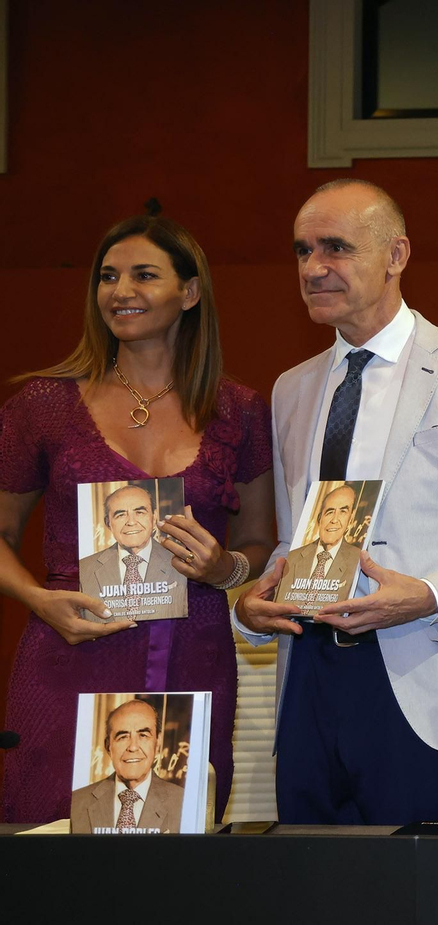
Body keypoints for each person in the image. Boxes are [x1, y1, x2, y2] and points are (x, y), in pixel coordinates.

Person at [233, 179, 438, 825]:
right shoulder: (291, 390)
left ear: (396, 254)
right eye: (301, 250)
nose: (313, 267)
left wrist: (426, 595)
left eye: (336, 248)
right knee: (311, 892)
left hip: (422, 671)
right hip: (308, 682)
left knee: (418, 898)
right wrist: (251, 607)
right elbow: (296, 538)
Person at [0, 215, 274, 825]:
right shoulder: (44, 405)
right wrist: (39, 599)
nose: (120, 291)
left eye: (143, 275)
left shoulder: (240, 410)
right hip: (72, 654)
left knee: (172, 867)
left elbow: (258, 541)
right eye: (107, 277)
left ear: (190, 292)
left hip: (193, 658)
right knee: (49, 862)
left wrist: (224, 567)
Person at [69, 699, 185, 833]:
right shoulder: (77, 802)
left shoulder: (183, 803)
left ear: (157, 743)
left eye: (143, 735)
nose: (133, 747)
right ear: (108, 746)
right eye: (123, 737)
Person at [77, 483, 185, 622]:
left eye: (139, 512)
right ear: (108, 523)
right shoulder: (84, 569)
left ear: (153, 517)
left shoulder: (180, 563)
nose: (131, 522)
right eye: (121, 515)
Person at [279, 483, 362, 600]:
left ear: (351, 518)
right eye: (329, 512)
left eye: (343, 512)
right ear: (320, 518)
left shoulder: (358, 559)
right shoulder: (293, 557)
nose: (334, 520)